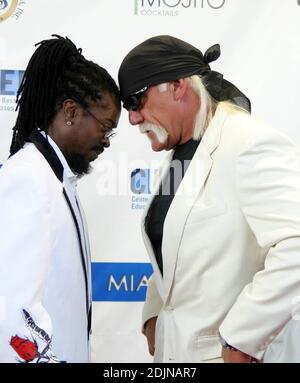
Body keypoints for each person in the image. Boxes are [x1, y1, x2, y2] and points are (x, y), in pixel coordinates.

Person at [118, 35, 300, 363]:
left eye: (136, 100)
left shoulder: (249, 143)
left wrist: (242, 338)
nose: (132, 117)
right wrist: (155, 310)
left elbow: (296, 247)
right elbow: (175, 244)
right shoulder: (180, 152)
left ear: (177, 85)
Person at [0, 35, 120, 363]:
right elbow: (14, 311)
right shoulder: (29, 179)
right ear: (70, 111)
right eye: (106, 127)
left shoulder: (56, 178)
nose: (107, 142)